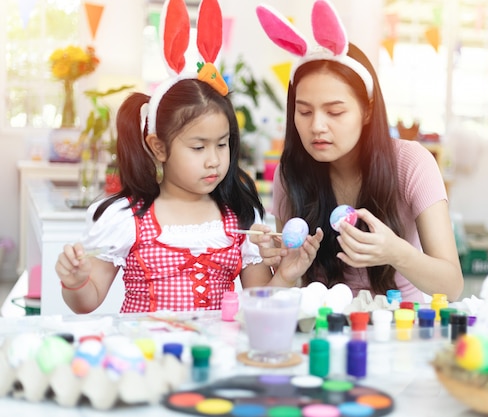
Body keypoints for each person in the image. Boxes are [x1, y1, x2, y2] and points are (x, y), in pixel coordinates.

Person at [54, 0, 319, 314]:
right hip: (150, 358)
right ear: (159, 147)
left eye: (222, 145)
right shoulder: (128, 219)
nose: (214, 160)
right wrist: (75, 281)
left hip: (216, 359)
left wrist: (287, 274)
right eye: (198, 147)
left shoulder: (239, 217)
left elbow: (258, 306)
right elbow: (86, 302)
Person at [251, 0, 463, 303]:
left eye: (335, 112)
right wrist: (283, 266)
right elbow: (288, 284)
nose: (317, 127)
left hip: (399, 326)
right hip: (324, 325)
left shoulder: (412, 163)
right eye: (304, 111)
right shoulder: (292, 172)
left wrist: (396, 252)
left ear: (367, 110)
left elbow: (452, 286)